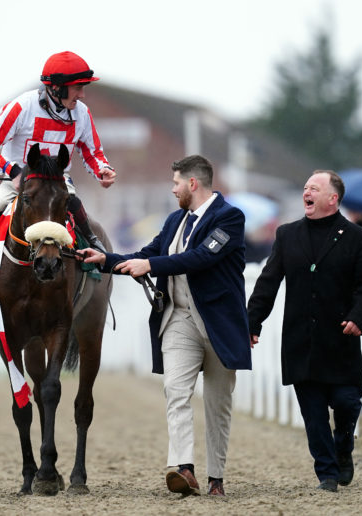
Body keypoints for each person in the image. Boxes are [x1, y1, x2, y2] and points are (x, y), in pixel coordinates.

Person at [81, 155, 251, 497]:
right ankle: (184, 469)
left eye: (176, 183)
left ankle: (216, 478)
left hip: (219, 323)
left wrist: (150, 265)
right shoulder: (175, 220)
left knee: (217, 403)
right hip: (178, 319)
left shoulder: (230, 217)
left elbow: (202, 257)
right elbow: (148, 254)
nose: (173, 189)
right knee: (175, 390)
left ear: (193, 183)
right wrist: (106, 260)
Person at [246, 170, 362, 493]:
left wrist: (358, 317)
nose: (306, 192)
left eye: (314, 188)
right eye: (305, 187)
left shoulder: (357, 238)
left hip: (341, 339)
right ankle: (327, 474)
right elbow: (268, 282)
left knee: (347, 403)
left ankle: (343, 446)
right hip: (300, 341)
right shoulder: (287, 235)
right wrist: (252, 323)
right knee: (314, 414)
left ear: (333, 198)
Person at [0, 51, 117, 282]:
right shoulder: (21, 107)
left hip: (57, 180)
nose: (82, 94)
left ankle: (92, 240)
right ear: (56, 87)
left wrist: (102, 169)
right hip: (20, 180)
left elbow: (92, 152)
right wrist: (12, 171)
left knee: (73, 202)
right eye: (78, 88)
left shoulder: (82, 113)